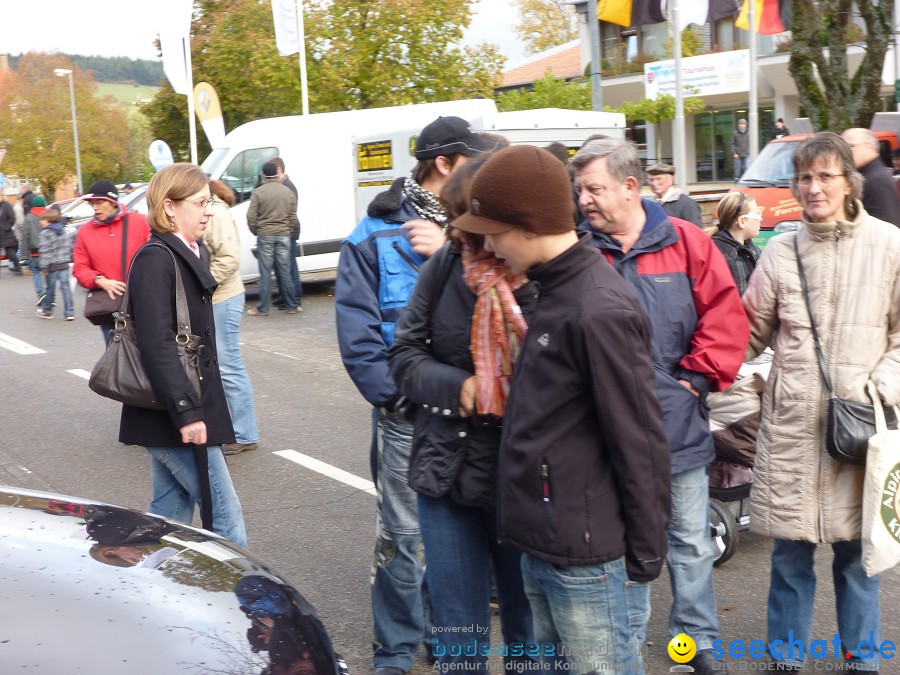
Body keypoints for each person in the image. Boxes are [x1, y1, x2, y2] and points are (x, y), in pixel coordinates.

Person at [451, 145, 670, 674]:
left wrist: (643, 556)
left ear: (528, 226)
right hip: (548, 543)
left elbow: (638, 440)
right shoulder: (553, 290)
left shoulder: (596, 308)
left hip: (589, 560)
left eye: (494, 230)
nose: (487, 243)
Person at [573, 138, 749, 675]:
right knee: (621, 544)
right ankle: (625, 649)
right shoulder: (579, 253)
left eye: (593, 188)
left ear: (630, 188)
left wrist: (693, 383)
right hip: (603, 434)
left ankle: (692, 646)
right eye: (579, 190)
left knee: (690, 544)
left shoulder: (688, 242)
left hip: (678, 428)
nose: (583, 200)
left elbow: (725, 317)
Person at [335, 115, 496, 675]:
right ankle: (396, 651)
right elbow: (358, 338)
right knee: (403, 538)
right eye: (472, 159)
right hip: (409, 415)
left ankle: (447, 643)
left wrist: (453, 249)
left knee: (465, 539)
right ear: (446, 165)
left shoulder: (480, 227)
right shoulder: (370, 235)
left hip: (481, 414)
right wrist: (398, 401)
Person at [743, 132, 900, 671]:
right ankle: (784, 659)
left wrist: (879, 388)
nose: (813, 187)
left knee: (859, 558)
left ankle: (862, 662)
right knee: (789, 556)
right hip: (793, 431)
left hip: (861, 432)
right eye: (804, 177)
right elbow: (747, 333)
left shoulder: (888, 244)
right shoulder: (782, 251)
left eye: (825, 176)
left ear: (848, 183)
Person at [387, 155, 536, 673]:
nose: (458, 233)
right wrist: (462, 387)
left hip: (526, 476)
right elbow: (404, 356)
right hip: (447, 470)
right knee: (460, 633)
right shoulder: (445, 265)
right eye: (454, 221)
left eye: (467, 221)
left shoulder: (539, 269)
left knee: (530, 626)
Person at [120, 162, 247, 548]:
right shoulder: (157, 258)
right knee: (226, 521)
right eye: (200, 202)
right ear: (170, 206)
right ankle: (236, 604)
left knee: (169, 517)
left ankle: (145, 597)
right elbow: (157, 342)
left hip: (179, 408)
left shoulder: (186, 252)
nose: (209, 210)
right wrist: (188, 412)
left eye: (209, 202)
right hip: (174, 413)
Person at [204, 179, 260, 457]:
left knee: (228, 365)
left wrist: (201, 283)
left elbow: (228, 258)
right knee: (217, 366)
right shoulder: (206, 210)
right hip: (214, 298)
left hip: (223, 298)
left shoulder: (216, 213)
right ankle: (227, 427)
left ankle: (244, 433)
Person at [72, 179, 150, 345]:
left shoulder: (138, 222)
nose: (95, 207)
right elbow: (80, 269)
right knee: (116, 358)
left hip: (142, 302)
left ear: (113, 201)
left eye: (99, 202)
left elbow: (154, 257)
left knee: (148, 355)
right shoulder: (84, 233)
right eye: (92, 203)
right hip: (111, 307)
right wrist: (100, 281)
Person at [246, 161, 299, 316]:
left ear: (263, 175)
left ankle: (263, 308)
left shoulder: (258, 192)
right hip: (283, 236)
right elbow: (293, 216)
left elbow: (251, 216)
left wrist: (256, 230)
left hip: (265, 235)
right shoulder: (287, 191)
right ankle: (292, 305)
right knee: (285, 271)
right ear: (277, 173)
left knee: (265, 273)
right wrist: (287, 230)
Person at [841, 128, 900, 227]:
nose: (845, 152)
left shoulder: (876, 181)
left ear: (870, 146)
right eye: (843, 148)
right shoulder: (870, 176)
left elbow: (884, 228)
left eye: (851, 146)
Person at [270, 157, 303, 312]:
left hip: (288, 231)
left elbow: (290, 213)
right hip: (284, 230)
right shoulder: (284, 185)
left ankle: (295, 297)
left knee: (289, 266)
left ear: (278, 169)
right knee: (282, 266)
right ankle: (285, 296)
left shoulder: (288, 187)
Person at [712, 192, 762, 295]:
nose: (760, 219)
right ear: (742, 221)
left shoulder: (754, 251)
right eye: (757, 214)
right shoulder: (717, 255)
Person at [36, 208, 74, 320]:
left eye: (42, 219)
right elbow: (69, 247)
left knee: (50, 288)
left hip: (52, 265)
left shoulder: (45, 233)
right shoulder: (63, 230)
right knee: (65, 287)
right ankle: (69, 312)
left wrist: (44, 267)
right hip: (64, 263)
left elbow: (45, 251)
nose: (40, 221)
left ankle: (47, 311)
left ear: (49, 220)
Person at [646, 163, 703, 227]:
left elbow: (696, 233)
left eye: (659, 179)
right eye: (651, 180)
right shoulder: (649, 204)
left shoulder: (687, 204)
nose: (654, 183)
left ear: (671, 181)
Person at [19, 195, 46, 305]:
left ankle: (41, 293)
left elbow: (25, 237)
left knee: (36, 271)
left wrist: (24, 256)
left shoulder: (29, 217)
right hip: (49, 251)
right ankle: (51, 296)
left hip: (35, 252)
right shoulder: (49, 215)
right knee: (49, 274)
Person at [0, 197, 21, 276]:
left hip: (6, 234)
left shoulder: (6, 206)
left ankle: (18, 268)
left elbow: (12, 218)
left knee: (11, 253)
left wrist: (6, 227)